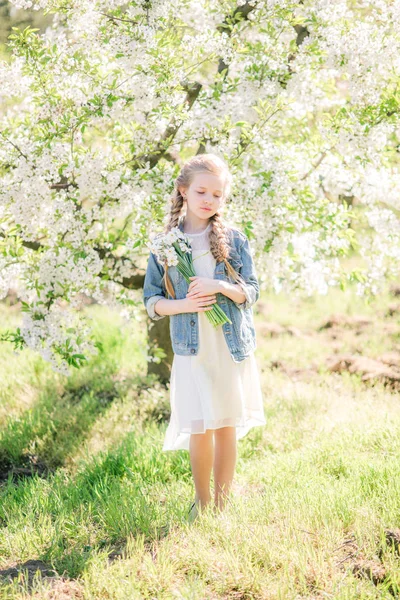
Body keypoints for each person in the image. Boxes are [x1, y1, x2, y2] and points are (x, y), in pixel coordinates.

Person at [143, 153, 266, 523]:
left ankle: (224, 504)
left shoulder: (233, 239)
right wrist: (184, 304)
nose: (209, 200)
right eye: (201, 191)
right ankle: (202, 502)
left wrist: (221, 286)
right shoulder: (166, 245)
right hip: (192, 349)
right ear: (183, 191)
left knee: (225, 424)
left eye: (217, 194)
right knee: (199, 425)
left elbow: (253, 292)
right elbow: (152, 301)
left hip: (228, 346)